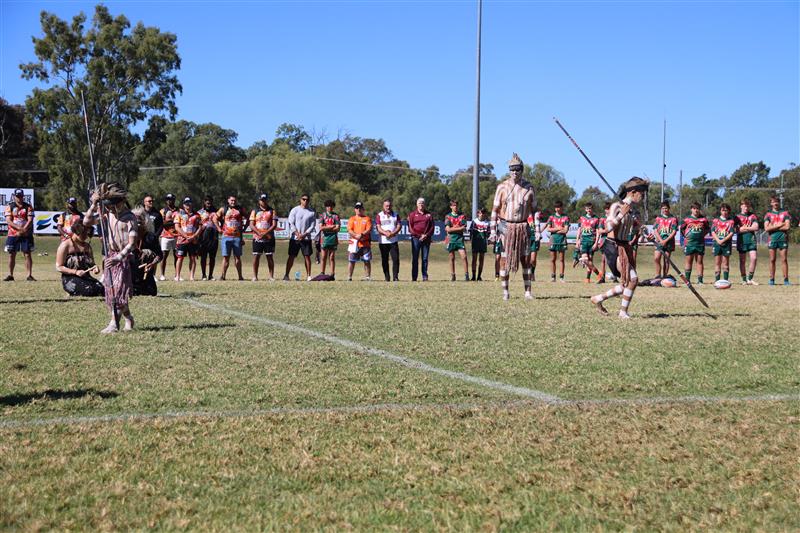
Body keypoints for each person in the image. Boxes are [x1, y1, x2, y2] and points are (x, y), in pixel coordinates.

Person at [590, 177, 649, 319]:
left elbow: (636, 230)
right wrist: (621, 213)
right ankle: (622, 312)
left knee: (628, 283)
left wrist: (646, 235)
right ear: (633, 192)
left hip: (624, 246)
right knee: (632, 280)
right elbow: (608, 226)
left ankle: (598, 298)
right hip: (613, 247)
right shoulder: (616, 206)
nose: (643, 197)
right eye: (642, 193)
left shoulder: (632, 211)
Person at [84, 183, 138, 333]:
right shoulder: (107, 215)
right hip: (110, 256)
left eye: (111, 205)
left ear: (120, 202)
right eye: (107, 206)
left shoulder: (130, 218)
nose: (109, 208)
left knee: (118, 292)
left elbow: (132, 244)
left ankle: (114, 323)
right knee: (111, 291)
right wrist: (94, 203)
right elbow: (86, 222)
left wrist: (119, 257)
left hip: (124, 258)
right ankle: (128, 318)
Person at [490, 153, 536, 300]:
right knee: (504, 259)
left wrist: (538, 229)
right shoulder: (502, 187)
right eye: (512, 170)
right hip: (505, 227)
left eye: (517, 170)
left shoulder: (529, 187)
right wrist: (492, 231)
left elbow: (535, 210)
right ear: (509, 171)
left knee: (526, 259)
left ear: (522, 170)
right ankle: (505, 292)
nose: (515, 172)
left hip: (523, 227)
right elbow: (494, 210)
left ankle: (528, 292)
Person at [55, 220, 103, 297]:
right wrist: (75, 272)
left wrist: (94, 268)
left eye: (87, 234)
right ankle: (71, 291)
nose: (86, 236)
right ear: (77, 231)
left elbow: (92, 264)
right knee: (89, 290)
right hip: (70, 279)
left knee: (101, 289)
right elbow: (59, 267)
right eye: (84, 234)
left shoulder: (87, 246)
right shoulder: (65, 245)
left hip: (86, 278)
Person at [3, 189, 35, 281]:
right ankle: (10, 275)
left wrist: (24, 229)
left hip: (26, 234)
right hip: (13, 234)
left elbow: (30, 220)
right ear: (14, 196)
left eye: (21, 196)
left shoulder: (28, 206)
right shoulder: (10, 206)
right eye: (17, 196)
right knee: (12, 254)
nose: (19, 198)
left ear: (23, 196)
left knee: (27, 254)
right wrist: (19, 229)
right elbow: (9, 220)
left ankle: (29, 275)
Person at [284, 193, 316, 281]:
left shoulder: (311, 212)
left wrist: (304, 234)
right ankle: (286, 275)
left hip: (306, 238)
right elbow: (291, 222)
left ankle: (309, 276)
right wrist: (297, 233)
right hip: (295, 238)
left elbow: (312, 225)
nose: (305, 201)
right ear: (300, 200)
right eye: (303, 199)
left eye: (307, 200)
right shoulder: (295, 210)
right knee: (291, 256)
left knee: (307, 256)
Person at [131, 206, 162, 296]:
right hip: (131, 273)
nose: (138, 222)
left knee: (151, 292)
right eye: (135, 219)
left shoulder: (151, 237)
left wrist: (153, 263)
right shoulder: (128, 237)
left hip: (146, 273)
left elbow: (159, 255)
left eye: (140, 219)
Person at [216, 195, 246, 281]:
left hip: (237, 237)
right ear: (228, 200)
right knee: (226, 257)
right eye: (232, 200)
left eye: (235, 200)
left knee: (237, 257)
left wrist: (244, 228)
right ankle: (223, 276)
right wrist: (218, 228)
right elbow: (214, 218)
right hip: (226, 236)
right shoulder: (223, 209)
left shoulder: (240, 209)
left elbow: (249, 218)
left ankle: (240, 276)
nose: (233, 202)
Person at [764, 196, 791, 285]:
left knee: (784, 259)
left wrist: (773, 226)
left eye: (776, 202)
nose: (775, 203)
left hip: (783, 239)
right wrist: (780, 224)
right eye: (773, 202)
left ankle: (786, 280)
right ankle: (772, 279)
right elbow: (766, 229)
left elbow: (787, 227)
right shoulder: (768, 215)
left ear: (779, 203)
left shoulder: (785, 213)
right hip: (772, 239)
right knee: (772, 259)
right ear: (771, 203)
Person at [250, 193, 277, 281]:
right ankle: (255, 276)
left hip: (269, 237)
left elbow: (274, 225)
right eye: (262, 200)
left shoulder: (272, 211)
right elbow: (251, 224)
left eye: (265, 199)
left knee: (269, 257)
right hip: (257, 237)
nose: (264, 201)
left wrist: (265, 234)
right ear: (259, 201)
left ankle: (271, 277)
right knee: (256, 256)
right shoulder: (255, 211)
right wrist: (258, 233)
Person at [175, 197, 202, 281]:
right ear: (183, 205)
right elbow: (177, 227)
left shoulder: (197, 215)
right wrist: (186, 236)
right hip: (182, 240)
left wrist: (194, 236)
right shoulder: (179, 214)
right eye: (186, 204)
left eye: (190, 203)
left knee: (193, 258)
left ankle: (191, 276)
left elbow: (200, 227)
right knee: (180, 258)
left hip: (193, 240)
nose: (188, 205)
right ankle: (177, 276)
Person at [681, 202, 709, 284]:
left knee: (699, 261)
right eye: (694, 208)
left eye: (697, 208)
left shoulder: (703, 219)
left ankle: (700, 280)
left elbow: (707, 229)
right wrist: (686, 236)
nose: (696, 210)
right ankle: (687, 280)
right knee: (688, 261)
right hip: (689, 243)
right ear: (691, 209)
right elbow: (682, 229)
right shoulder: (686, 219)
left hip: (700, 243)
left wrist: (702, 235)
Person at [408, 197, 434, 281]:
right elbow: (410, 228)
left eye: (422, 203)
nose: (421, 205)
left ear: (424, 204)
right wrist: (419, 235)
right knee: (415, 258)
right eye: (419, 203)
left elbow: (432, 227)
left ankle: (424, 276)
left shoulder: (429, 215)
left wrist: (426, 235)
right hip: (416, 239)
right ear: (417, 204)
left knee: (425, 258)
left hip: (426, 239)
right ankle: (414, 277)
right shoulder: (412, 214)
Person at [574, 202, 601, 283]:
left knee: (590, 260)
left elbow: (598, 231)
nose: (589, 210)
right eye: (587, 209)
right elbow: (579, 229)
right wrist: (577, 240)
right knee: (585, 260)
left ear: (592, 209)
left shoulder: (596, 219)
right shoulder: (582, 218)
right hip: (584, 241)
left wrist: (596, 242)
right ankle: (599, 273)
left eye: (590, 208)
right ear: (585, 209)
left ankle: (587, 278)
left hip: (592, 241)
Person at [376, 198, 401, 281]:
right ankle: (387, 277)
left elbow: (398, 226)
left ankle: (395, 277)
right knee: (384, 260)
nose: (388, 207)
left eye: (389, 205)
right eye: (386, 206)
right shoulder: (379, 215)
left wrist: (392, 233)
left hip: (393, 241)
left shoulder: (396, 215)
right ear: (383, 206)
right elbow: (378, 227)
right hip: (383, 241)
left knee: (396, 259)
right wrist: (385, 233)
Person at [544, 201, 569, 283]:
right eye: (556, 207)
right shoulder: (551, 217)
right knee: (552, 259)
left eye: (559, 207)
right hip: (553, 240)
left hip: (562, 240)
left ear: (562, 207)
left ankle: (561, 277)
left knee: (561, 259)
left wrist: (555, 230)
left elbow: (565, 230)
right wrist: (558, 228)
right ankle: (553, 277)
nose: (557, 209)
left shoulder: (565, 217)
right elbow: (548, 229)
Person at [735, 199, 759, 285]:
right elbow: (736, 230)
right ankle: (744, 279)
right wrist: (749, 228)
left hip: (751, 240)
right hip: (742, 241)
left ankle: (750, 279)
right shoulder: (737, 217)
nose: (746, 208)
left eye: (748, 206)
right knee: (742, 260)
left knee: (754, 258)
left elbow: (756, 227)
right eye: (745, 206)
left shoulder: (752, 216)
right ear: (741, 206)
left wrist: (744, 228)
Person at [652, 201, 678, 279]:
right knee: (656, 258)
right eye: (663, 208)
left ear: (669, 208)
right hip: (659, 241)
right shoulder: (658, 218)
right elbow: (655, 230)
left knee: (666, 260)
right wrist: (660, 240)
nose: (664, 210)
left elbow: (674, 231)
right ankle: (658, 276)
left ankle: (665, 276)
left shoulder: (673, 219)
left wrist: (665, 241)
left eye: (666, 208)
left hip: (669, 242)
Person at [445, 199, 469, 282]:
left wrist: (454, 228)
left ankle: (466, 275)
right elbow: (448, 230)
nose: (455, 207)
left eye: (456, 205)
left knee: (464, 256)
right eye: (454, 205)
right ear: (451, 206)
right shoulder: (448, 216)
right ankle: (453, 275)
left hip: (459, 239)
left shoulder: (462, 216)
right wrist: (458, 228)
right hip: (451, 239)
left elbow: (464, 228)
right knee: (451, 257)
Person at [347, 202, 372, 281]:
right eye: (357, 208)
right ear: (355, 209)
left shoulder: (367, 218)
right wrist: (356, 236)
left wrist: (361, 235)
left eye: (360, 208)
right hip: (354, 243)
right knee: (351, 261)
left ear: (363, 209)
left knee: (366, 260)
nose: (358, 209)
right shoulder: (352, 219)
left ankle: (367, 277)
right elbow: (349, 230)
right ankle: (349, 277)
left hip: (365, 243)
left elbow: (368, 229)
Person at [711, 203, 735, 283]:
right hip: (717, 244)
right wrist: (718, 240)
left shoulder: (731, 221)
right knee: (717, 263)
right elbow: (713, 231)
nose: (724, 212)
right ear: (720, 211)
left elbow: (731, 233)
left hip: (726, 244)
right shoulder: (716, 221)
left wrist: (723, 240)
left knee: (725, 263)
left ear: (729, 211)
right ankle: (717, 280)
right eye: (723, 210)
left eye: (726, 210)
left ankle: (725, 280)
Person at [197, 196, 219, 280]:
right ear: (204, 202)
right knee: (203, 256)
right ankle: (203, 275)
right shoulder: (199, 212)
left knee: (212, 257)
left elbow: (222, 221)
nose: (208, 203)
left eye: (210, 201)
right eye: (206, 201)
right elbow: (196, 223)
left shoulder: (216, 212)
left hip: (213, 236)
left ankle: (210, 275)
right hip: (203, 237)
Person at [158, 193, 179, 281]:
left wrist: (170, 222)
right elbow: (162, 223)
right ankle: (162, 275)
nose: (169, 201)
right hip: (165, 235)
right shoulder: (162, 211)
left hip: (177, 236)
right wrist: (173, 222)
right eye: (167, 199)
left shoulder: (179, 210)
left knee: (177, 255)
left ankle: (177, 275)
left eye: (171, 199)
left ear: (174, 200)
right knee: (164, 255)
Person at [319, 200, 341, 279]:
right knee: (323, 256)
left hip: (333, 239)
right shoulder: (322, 216)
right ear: (326, 207)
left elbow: (338, 228)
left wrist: (327, 228)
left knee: (331, 257)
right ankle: (322, 273)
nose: (329, 208)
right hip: (324, 239)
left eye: (331, 206)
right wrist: (331, 226)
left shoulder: (336, 216)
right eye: (328, 206)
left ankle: (332, 274)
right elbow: (321, 227)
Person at [470, 208, 490, 281]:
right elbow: (471, 232)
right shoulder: (474, 222)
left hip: (483, 243)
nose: (482, 214)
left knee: (481, 259)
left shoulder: (487, 223)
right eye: (481, 213)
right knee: (474, 259)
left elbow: (488, 233)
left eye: (483, 213)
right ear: (478, 213)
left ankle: (479, 276)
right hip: (475, 242)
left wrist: (488, 238)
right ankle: (473, 276)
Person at [527, 209, 543, 282]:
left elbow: (540, 222)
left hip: (535, 238)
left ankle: (532, 273)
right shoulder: (525, 213)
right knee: (527, 259)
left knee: (533, 259)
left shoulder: (537, 214)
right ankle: (528, 274)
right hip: (527, 238)